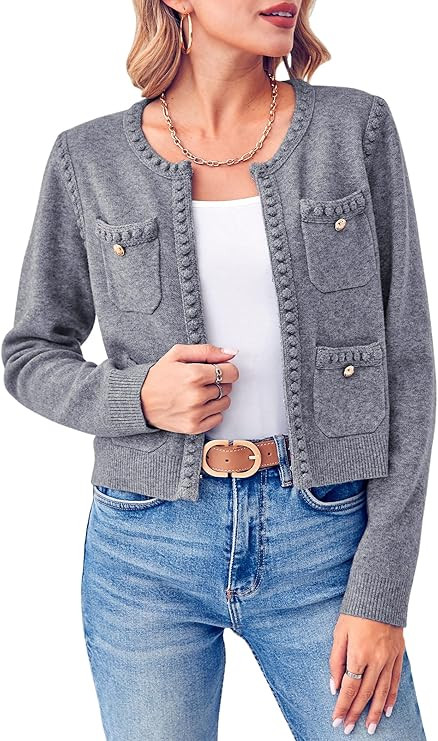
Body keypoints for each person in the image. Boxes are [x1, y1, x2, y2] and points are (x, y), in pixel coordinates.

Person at [2, 1, 435, 738]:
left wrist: (381, 592)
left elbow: (408, 364)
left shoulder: (353, 129)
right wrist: (138, 397)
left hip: (325, 537)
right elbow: (30, 353)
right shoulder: (89, 158)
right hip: (144, 546)